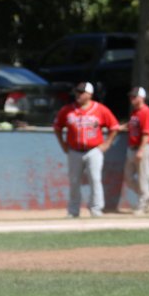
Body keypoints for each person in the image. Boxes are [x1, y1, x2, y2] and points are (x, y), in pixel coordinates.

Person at [53, 81, 119, 218]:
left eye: (82, 92)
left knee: (95, 179)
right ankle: (73, 211)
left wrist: (107, 144)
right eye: (77, 92)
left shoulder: (100, 109)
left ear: (90, 94)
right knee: (74, 181)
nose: (78, 95)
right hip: (74, 150)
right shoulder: (67, 110)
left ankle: (96, 209)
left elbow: (114, 127)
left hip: (93, 150)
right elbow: (57, 127)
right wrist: (62, 144)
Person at [120, 86, 149, 215]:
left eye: (135, 96)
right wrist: (119, 127)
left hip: (143, 148)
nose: (132, 98)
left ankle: (143, 205)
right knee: (128, 177)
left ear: (142, 97)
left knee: (143, 178)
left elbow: (146, 133)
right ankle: (148, 196)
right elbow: (131, 125)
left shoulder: (146, 112)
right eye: (131, 96)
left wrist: (141, 150)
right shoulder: (135, 112)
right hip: (132, 148)